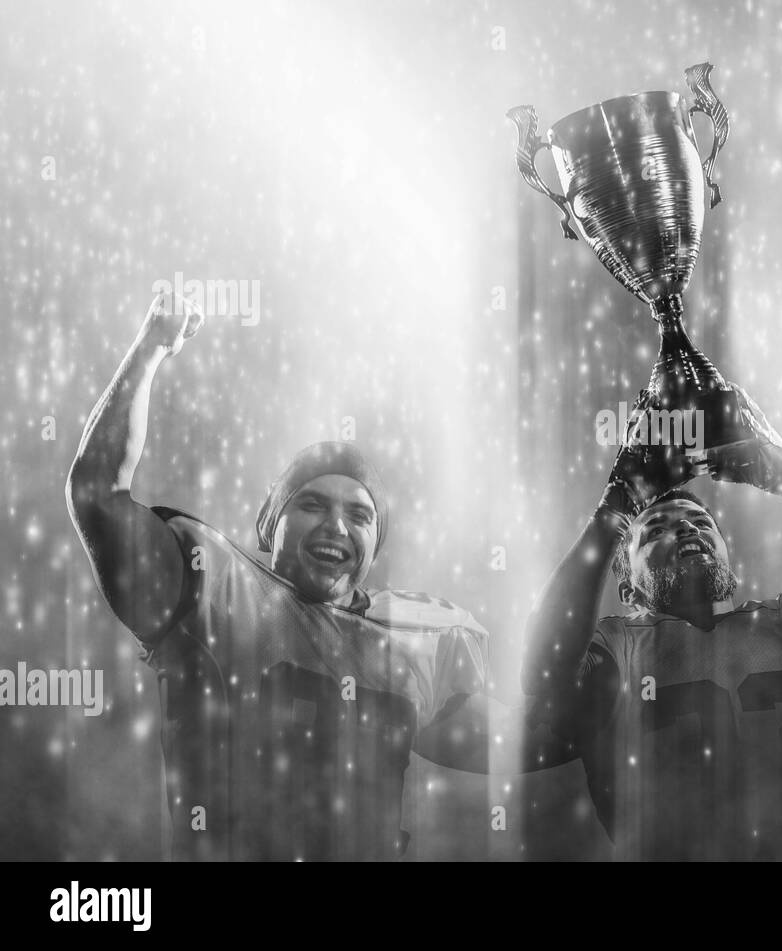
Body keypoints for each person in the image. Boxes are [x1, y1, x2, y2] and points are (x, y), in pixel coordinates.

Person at [67, 293, 500, 860]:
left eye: (360, 515)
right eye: (313, 504)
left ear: (375, 543)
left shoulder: (414, 639)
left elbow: (535, 738)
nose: (337, 526)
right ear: (271, 524)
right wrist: (149, 349)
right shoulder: (212, 587)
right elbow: (98, 493)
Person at [523, 388, 782, 860]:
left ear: (729, 559)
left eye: (701, 521)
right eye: (655, 530)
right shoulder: (618, 646)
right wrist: (610, 515)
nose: (687, 529)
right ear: (627, 589)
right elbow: (542, 671)